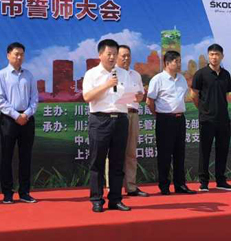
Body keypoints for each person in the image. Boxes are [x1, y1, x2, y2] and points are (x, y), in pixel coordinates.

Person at [83, 39, 131, 213]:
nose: (112, 57)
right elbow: (87, 97)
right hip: (100, 120)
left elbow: (129, 97)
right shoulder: (92, 74)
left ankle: (115, 199)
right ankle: (97, 199)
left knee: (118, 162)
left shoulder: (123, 74)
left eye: (115, 54)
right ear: (100, 55)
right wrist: (107, 85)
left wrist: (135, 97)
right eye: (109, 54)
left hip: (120, 119)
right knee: (97, 161)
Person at [147, 50, 195, 195]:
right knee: (165, 154)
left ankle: (180, 185)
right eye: (176, 61)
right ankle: (164, 185)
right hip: (164, 120)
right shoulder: (158, 79)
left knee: (180, 153)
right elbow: (149, 101)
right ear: (167, 63)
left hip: (180, 119)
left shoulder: (181, 79)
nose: (179, 64)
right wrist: (159, 115)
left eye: (180, 61)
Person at [0, 42, 38, 204]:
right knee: (7, 156)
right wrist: (16, 115)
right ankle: (7, 193)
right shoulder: (1, 75)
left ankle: (24, 192)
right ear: (8, 55)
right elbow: (0, 100)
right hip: (9, 119)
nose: (19, 57)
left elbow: (34, 98)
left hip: (27, 119)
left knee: (25, 157)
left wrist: (26, 114)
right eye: (16, 54)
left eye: (21, 54)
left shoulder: (29, 75)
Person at [191, 43, 231, 191]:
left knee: (222, 150)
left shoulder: (226, 74)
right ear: (208, 56)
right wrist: (203, 110)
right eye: (212, 54)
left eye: (217, 54)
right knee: (205, 150)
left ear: (222, 56)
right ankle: (204, 182)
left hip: (223, 119)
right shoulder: (201, 74)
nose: (214, 57)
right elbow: (194, 95)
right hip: (207, 119)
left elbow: (227, 95)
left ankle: (221, 180)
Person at [116, 45, 148, 197]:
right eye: (123, 55)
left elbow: (140, 94)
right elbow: (112, 97)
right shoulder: (112, 73)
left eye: (128, 55)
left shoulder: (136, 75)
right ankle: (113, 188)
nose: (126, 58)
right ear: (116, 56)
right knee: (115, 152)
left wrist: (140, 97)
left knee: (131, 152)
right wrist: (130, 97)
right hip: (118, 114)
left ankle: (131, 187)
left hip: (133, 115)